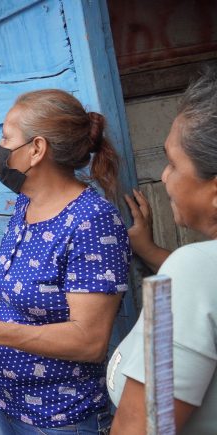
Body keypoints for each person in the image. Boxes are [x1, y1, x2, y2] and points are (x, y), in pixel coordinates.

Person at [0, 89, 131, 434]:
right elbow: (15, 291)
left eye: (7, 137)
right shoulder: (26, 206)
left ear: (36, 149)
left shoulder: (91, 221)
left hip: (61, 417)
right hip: (9, 406)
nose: (0, 147)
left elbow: (89, 341)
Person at [108, 69, 217, 434]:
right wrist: (150, 250)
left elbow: (137, 428)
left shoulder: (192, 270)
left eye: (173, 162)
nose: (165, 176)